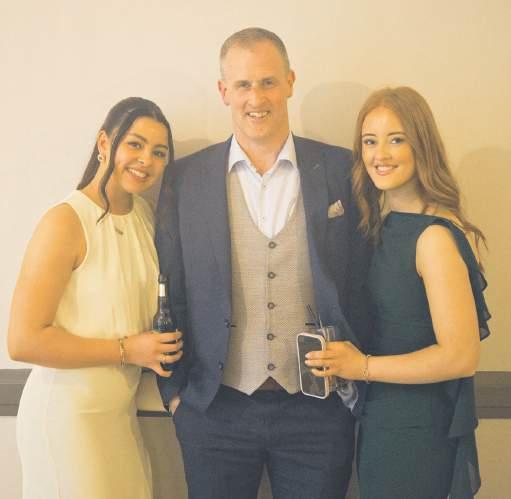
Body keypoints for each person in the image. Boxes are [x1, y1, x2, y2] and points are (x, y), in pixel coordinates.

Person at [155, 27, 370, 499]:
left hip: (319, 411)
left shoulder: (341, 169)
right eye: (243, 84)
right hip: (214, 411)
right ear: (224, 91)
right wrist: (175, 396)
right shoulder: (186, 178)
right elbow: (170, 287)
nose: (257, 97)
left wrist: (356, 385)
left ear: (290, 82)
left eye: (268, 82)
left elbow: (364, 281)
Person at [306, 86, 491, 498]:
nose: (380, 154)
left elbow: (461, 357)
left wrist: (362, 367)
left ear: (421, 145)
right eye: (370, 141)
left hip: (417, 428)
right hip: (382, 417)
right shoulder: (385, 225)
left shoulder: (433, 237)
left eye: (396, 139)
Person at [8, 97, 183, 499]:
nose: (146, 160)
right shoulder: (65, 220)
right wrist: (128, 350)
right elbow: (22, 341)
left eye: (159, 152)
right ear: (105, 143)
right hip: (66, 417)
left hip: (119, 417)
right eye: (135, 144)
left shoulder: (144, 215)